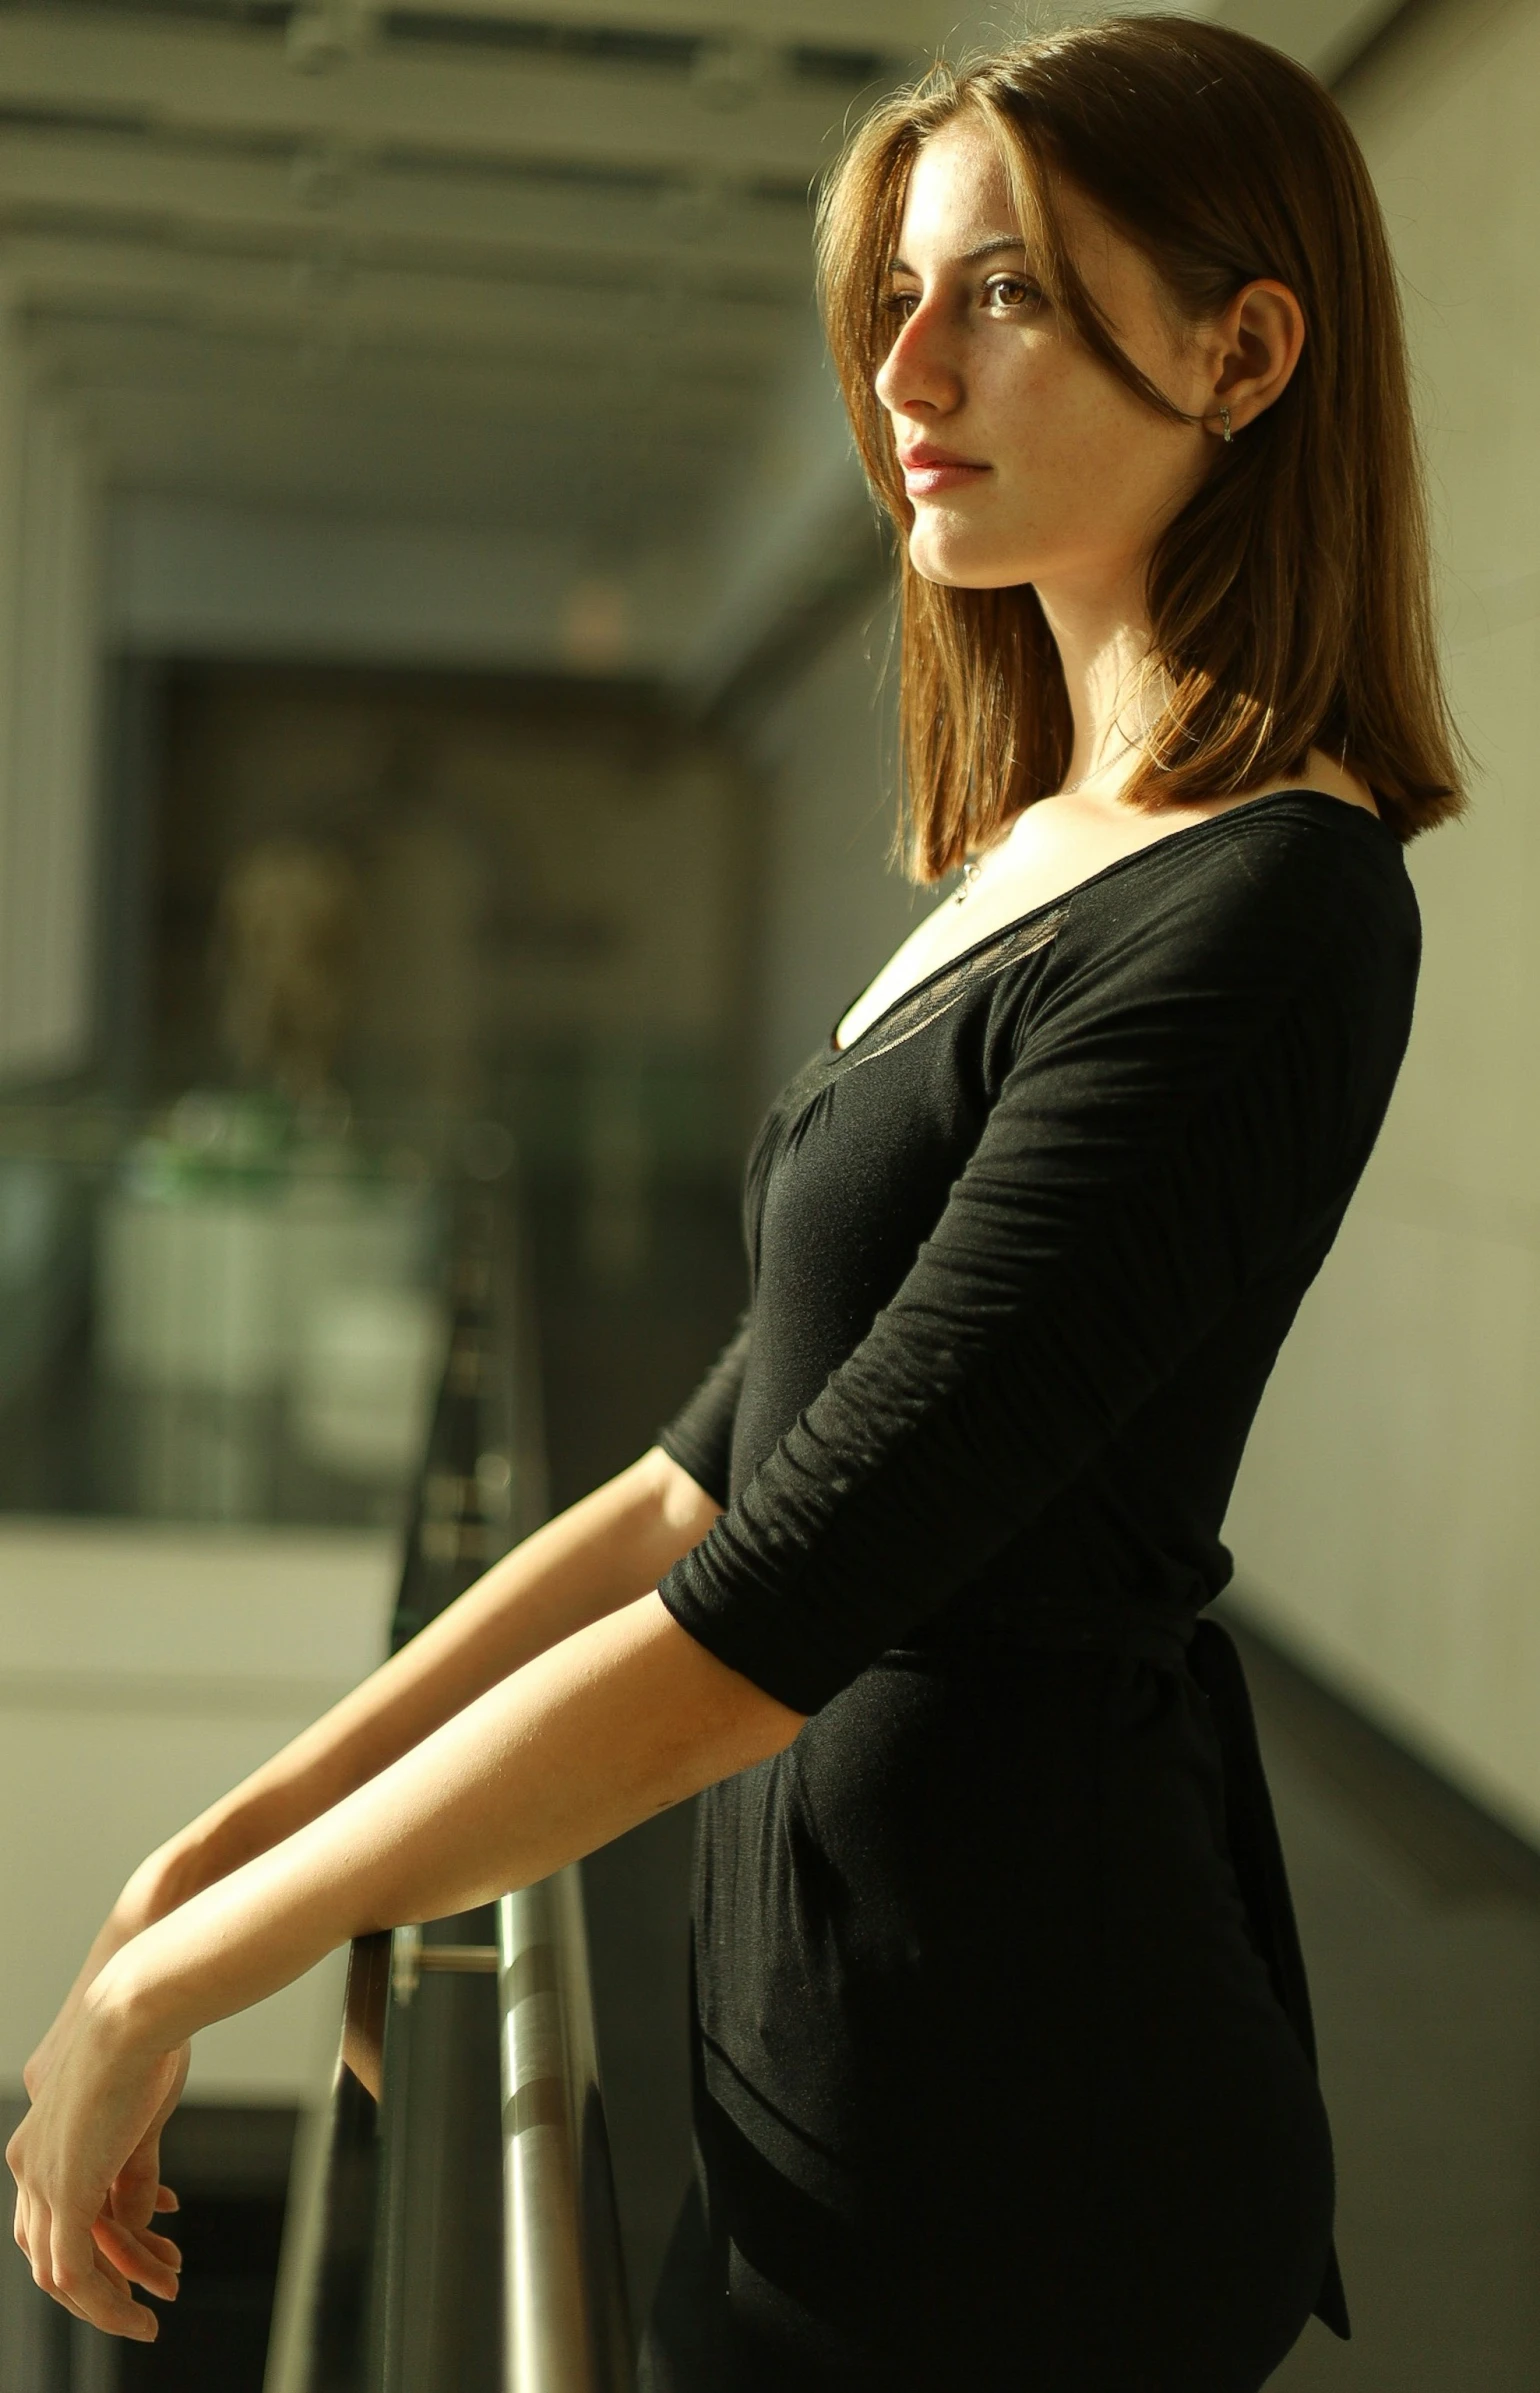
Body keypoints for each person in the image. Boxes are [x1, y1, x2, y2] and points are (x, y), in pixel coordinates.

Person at [10, 17, 1463, 2390]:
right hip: (842, 2031)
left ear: (1243, 343)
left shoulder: (1265, 912)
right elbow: (701, 1461)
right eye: (890, 293)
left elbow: (769, 1598)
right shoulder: (1028, 867)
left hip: (1021, 2117)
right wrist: (205, 1856)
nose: (900, 361)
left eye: (992, 288)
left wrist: (191, 1970)